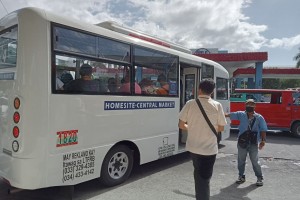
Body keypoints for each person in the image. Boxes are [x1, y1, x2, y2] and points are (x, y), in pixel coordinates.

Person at [178, 78, 227, 200]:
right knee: (204, 179)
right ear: (212, 92)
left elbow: (181, 125)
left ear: (199, 89)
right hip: (209, 149)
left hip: (194, 148)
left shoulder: (190, 103)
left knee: (199, 175)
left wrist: (193, 127)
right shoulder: (217, 105)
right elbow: (221, 128)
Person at [225, 99, 267, 187]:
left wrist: (263, 140)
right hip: (242, 142)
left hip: (253, 142)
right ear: (245, 105)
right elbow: (228, 115)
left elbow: (263, 129)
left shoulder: (259, 117)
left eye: (252, 105)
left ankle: (259, 178)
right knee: (241, 160)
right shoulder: (241, 114)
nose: (250, 106)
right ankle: (241, 176)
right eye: (248, 104)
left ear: (255, 106)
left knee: (255, 161)